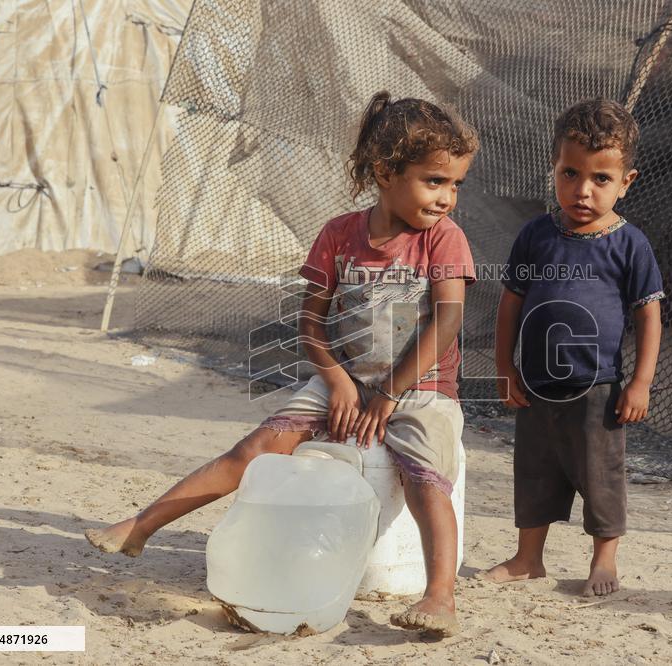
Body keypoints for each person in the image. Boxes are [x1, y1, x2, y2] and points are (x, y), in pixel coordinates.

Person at [85, 91, 478, 637]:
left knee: (426, 477)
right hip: (345, 378)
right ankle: (142, 525)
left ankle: (439, 596)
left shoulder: (443, 239)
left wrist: (389, 394)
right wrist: (338, 381)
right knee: (254, 449)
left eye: (456, 184)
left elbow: (446, 322)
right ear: (386, 172)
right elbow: (311, 323)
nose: (447, 198)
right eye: (435, 181)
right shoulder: (340, 235)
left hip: (421, 387)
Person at [480, 98, 663, 596]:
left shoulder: (630, 244)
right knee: (534, 469)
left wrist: (641, 382)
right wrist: (505, 367)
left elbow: (648, 315)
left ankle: (604, 560)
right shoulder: (536, 235)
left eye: (601, 178)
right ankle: (527, 558)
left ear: (626, 182)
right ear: (554, 167)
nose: (583, 190)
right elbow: (510, 304)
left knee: (600, 475)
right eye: (570, 173)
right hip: (536, 384)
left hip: (597, 387)